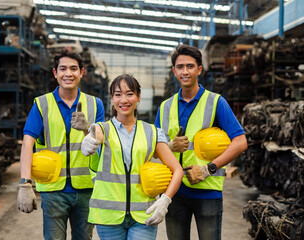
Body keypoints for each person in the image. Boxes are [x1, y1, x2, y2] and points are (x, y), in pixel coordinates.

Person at [154, 44, 248, 240]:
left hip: (207, 193)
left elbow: (240, 142)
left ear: (199, 69)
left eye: (190, 66)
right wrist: (169, 147)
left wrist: (208, 169)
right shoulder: (165, 107)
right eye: (180, 67)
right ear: (174, 71)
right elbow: (154, 149)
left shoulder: (216, 102)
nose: (185, 71)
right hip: (174, 192)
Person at [80, 74, 184, 240]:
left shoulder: (152, 132)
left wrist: (165, 200)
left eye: (129, 94)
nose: (124, 100)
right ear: (112, 98)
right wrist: (89, 140)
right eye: (118, 94)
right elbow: (96, 135)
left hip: (143, 215)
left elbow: (177, 169)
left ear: (138, 97)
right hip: (109, 217)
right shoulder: (102, 128)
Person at [16, 48, 105, 240]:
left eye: (74, 69)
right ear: (55, 73)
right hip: (53, 190)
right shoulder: (42, 104)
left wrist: (87, 127)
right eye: (63, 69)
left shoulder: (95, 104)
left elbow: (102, 139)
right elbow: (27, 144)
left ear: (82, 72)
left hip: (86, 189)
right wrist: (25, 183)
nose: (68, 73)